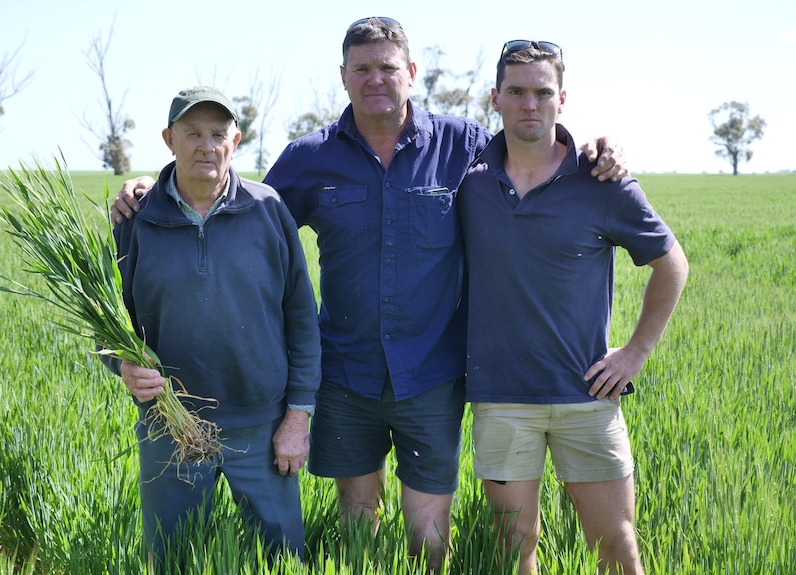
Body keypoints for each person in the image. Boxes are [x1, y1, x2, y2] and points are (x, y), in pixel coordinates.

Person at [110, 19, 626, 572]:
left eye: (387, 67)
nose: (375, 79)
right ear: (343, 76)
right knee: (359, 522)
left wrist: (593, 147)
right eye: (362, 68)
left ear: (410, 72)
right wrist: (155, 187)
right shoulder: (310, 157)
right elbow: (231, 203)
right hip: (346, 375)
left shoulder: (464, 145)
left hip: (431, 374)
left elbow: (534, 147)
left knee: (429, 535)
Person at [457, 41, 689, 574]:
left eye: (542, 92)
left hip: (587, 395)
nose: (529, 105)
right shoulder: (468, 179)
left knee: (616, 544)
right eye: (516, 92)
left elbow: (672, 265)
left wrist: (634, 354)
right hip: (500, 397)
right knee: (514, 545)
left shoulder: (601, 181)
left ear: (563, 98)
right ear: (496, 98)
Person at [101, 86, 321, 568]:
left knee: (282, 560)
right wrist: (122, 365)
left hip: (262, 428)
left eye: (218, 133)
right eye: (192, 132)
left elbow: (303, 321)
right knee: (173, 560)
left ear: (235, 140)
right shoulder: (135, 221)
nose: (207, 144)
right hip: (169, 428)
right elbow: (106, 325)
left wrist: (297, 418)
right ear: (169, 139)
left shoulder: (269, 211)